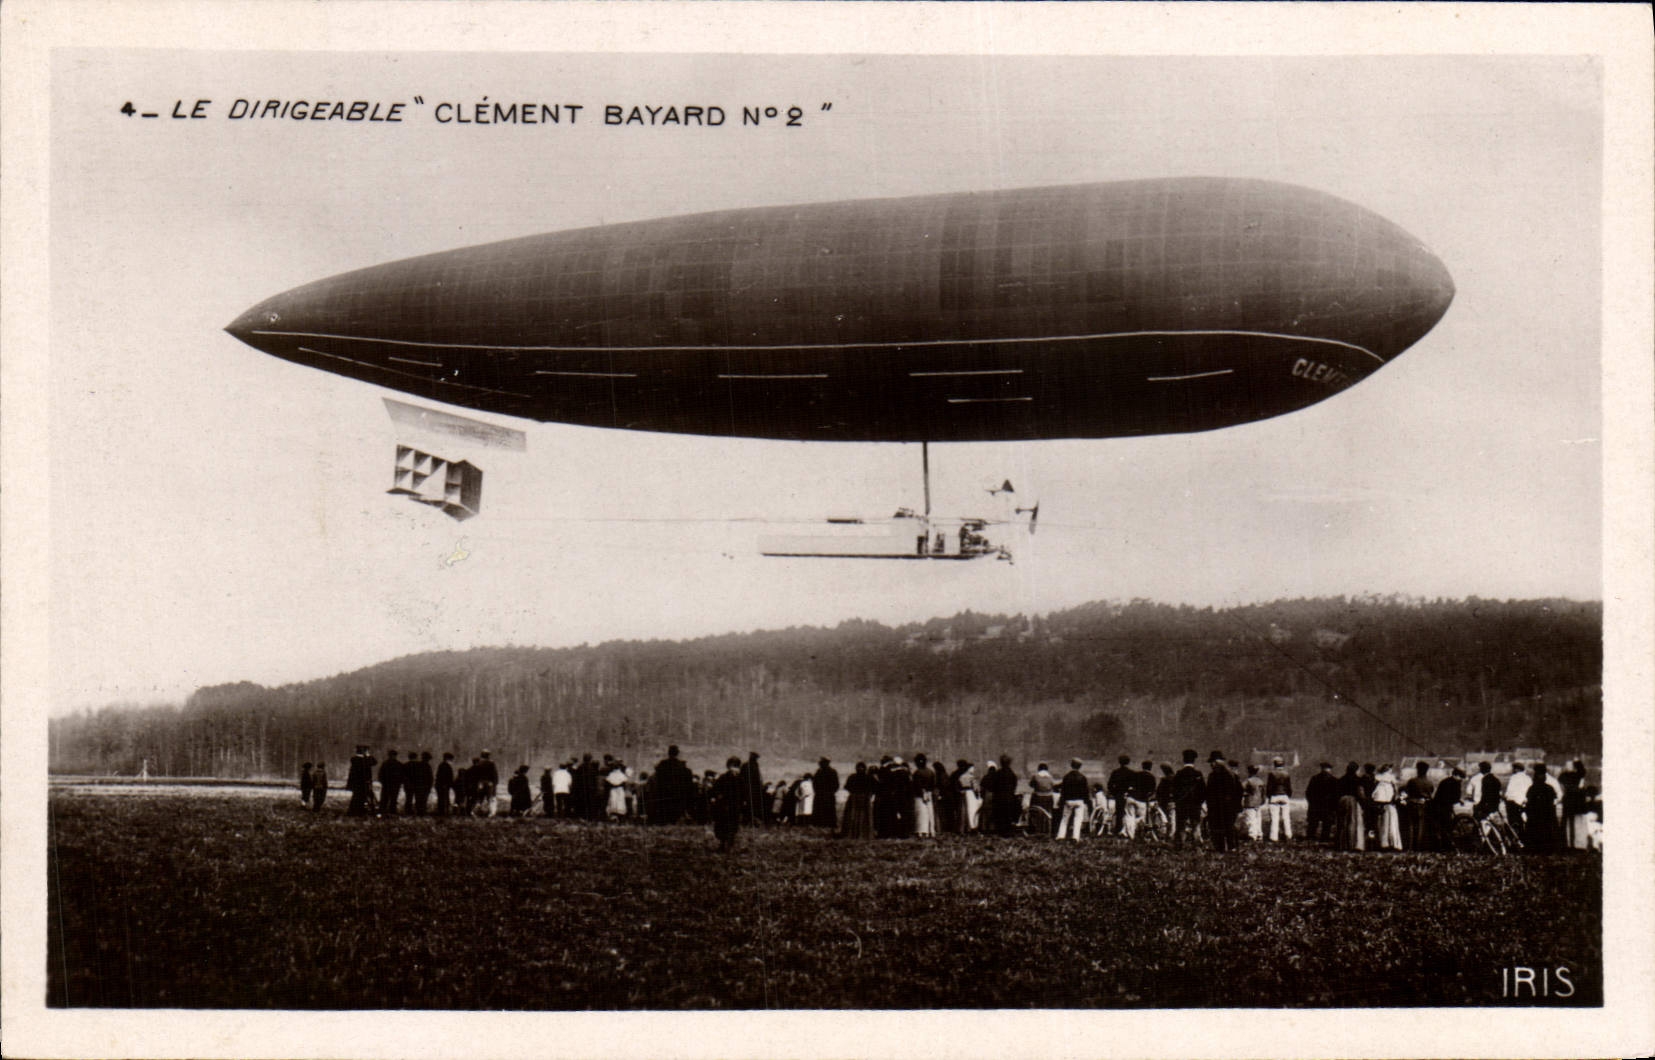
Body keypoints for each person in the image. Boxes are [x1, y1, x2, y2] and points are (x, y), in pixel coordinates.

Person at [1204, 752, 1243, 852]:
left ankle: (1223, 847)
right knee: (1228, 826)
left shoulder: (1213, 776)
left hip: (1220, 807)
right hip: (1227, 806)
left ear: (1217, 762)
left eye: (1212, 762)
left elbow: (1209, 792)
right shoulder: (1231, 774)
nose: (1211, 765)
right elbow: (1239, 790)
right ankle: (1231, 847)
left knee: (1221, 827)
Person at [649, 745, 695, 825]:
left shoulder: (663, 764)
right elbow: (688, 778)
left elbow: (658, 777)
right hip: (678, 791)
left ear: (668, 753)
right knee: (676, 807)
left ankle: (667, 820)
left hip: (665, 791)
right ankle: (676, 820)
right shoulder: (681, 765)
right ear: (677, 753)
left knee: (666, 807)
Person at [1171, 749, 1206, 848]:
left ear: (1183, 760)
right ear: (1194, 760)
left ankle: (1180, 845)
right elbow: (1203, 790)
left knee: (1181, 825)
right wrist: (1199, 801)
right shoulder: (1198, 774)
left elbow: (1174, 789)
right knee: (1196, 825)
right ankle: (1197, 845)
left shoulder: (1179, 773)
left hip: (1182, 804)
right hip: (1195, 804)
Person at [710, 756, 745, 852]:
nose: (734, 768)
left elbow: (744, 793)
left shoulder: (739, 779)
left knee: (730, 827)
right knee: (725, 826)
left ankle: (727, 845)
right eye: (733, 765)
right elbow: (715, 790)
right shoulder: (725, 778)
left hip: (732, 806)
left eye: (736, 766)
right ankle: (724, 844)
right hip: (725, 806)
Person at [1524, 763, 1560, 853]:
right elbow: (1554, 799)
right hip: (1547, 814)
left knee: (1535, 830)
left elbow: (1529, 800)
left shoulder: (1532, 788)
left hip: (1535, 814)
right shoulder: (1550, 787)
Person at [1401, 761, 1435, 850]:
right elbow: (1431, 793)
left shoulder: (1412, 781)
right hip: (1423, 806)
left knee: (1410, 826)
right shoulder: (1429, 782)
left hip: (1412, 805)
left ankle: (1410, 846)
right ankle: (1419, 846)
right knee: (1421, 826)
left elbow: (1407, 791)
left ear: (1418, 770)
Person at [1427, 766, 1463, 852]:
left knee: (1441, 827)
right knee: (1446, 827)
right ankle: (1446, 846)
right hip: (1444, 807)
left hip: (1439, 806)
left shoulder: (1445, 781)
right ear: (1456, 775)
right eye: (1460, 777)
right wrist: (1458, 800)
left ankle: (1441, 845)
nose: (1461, 779)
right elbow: (1454, 796)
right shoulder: (1456, 783)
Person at [1334, 762, 1365, 851]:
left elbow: (1336, 792)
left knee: (1342, 822)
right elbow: (1360, 793)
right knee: (1352, 822)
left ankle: (1341, 844)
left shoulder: (1341, 779)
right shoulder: (1357, 780)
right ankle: (1351, 844)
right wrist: (1364, 803)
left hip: (1342, 801)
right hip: (1352, 801)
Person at [1057, 758, 1090, 841]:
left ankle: (1061, 836)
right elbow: (1085, 791)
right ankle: (1075, 837)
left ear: (1071, 765)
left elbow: (1063, 790)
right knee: (1078, 819)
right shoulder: (1083, 778)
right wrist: (1086, 801)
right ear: (1080, 766)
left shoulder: (1066, 777)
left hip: (1069, 801)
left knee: (1065, 819)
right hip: (1079, 801)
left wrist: (1062, 800)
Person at [1305, 762, 1339, 842]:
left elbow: (1308, 792)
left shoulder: (1314, 778)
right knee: (1326, 823)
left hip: (1316, 805)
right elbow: (1337, 795)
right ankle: (1324, 838)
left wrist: (1311, 802)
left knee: (1313, 823)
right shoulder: (1334, 780)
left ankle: (1311, 836)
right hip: (1328, 806)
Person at [1561, 760, 1591, 850]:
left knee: (1568, 823)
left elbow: (1562, 783)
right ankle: (1575, 843)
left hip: (1569, 801)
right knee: (1576, 823)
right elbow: (1582, 772)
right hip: (1577, 802)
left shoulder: (1565, 776)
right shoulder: (1577, 776)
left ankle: (1568, 843)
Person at [841, 761, 875, 839]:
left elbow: (847, 786)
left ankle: (852, 833)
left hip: (854, 798)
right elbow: (875, 787)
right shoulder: (868, 777)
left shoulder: (852, 777)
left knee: (853, 816)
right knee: (864, 816)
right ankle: (864, 834)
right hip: (864, 799)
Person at [1372, 765, 1402, 850]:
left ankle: (1383, 843)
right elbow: (1396, 791)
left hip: (1381, 804)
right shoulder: (1391, 779)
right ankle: (1392, 843)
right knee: (1392, 824)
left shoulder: (1378, 779)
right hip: (1389, 804)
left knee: (1382, 824)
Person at [990, 755, 1021, 837]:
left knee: (1000, 815)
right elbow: (1014, 785)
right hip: (1009, 797)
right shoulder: (1012, 774)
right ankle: (1008, 831)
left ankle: (1001, 831)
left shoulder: (997, 773)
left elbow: (993, 786)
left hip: (999, 797)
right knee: (1008, 815)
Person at [1106, 755, 1136, 837]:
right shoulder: (1132, 773)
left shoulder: (1115, 772)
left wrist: (1115, 793)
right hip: (1129, 796)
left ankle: (1118, 829)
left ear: (1119, 762)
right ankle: (1127, 830)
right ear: (1128, 762)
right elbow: (1135, 785)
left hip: (1118, 795)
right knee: (1129, 814)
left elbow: (1110, 785)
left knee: (1119, 813)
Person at [1264, 756, 1293, 842]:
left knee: (1274, 818)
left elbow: (1269, 787)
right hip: (1284, 796)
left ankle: (1274, 837)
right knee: (1286, 817)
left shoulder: (1272, 774)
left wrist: (1269, 796)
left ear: (1274, 765)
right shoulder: (1286, 774)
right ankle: (1288, 835)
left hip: (1274, 796)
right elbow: (1289, 787)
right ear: (1283, 764)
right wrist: (1288, 795)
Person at [1028, 762, 1057, 837]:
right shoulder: (1050, 777)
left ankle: (1036, 828)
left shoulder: (1035, 776)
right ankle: (1046, 829)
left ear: (1039, 769)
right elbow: (1053, 785)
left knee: (1036, 812)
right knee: (1048, 813)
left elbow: (1031, 785)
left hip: (1038, 797)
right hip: (1048, 798)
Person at [910, 754, 936, 838]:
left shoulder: (917, 773)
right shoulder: (931, 772)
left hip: (919, 795)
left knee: (920, 813)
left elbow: (915, 785)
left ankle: (920, 831)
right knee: (929, 813)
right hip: (929, 794)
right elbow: (933, 784)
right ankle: (930, 830)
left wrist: (921, 792)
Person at [345, 745, 376, 816]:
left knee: (357, 797)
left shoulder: (356, 759)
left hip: (357, 783)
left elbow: (373, 762)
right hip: (362, 783)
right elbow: (373, 762)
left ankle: (355, 811)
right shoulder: (361, 760)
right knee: (360, 797)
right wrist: (368, 755)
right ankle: (358, 811)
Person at [1504, 762, 1531, 842]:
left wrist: (1506, 797)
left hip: (1513, 803)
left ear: (1516, 769)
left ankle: (1514, 840)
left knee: (1513, 823)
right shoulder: (1528, 778)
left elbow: (1509, 791)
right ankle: (1524, 839)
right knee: (1523, 821)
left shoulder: (1514, 777)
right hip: (1524, 802)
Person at [1239, 765, 1265, 841]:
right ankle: (1259, 835)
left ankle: (1252, 835)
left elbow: (1240, 789)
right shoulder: (1260, 781)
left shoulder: (1248, 781)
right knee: (1258, 819)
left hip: (1250, 802)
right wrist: (1262, 799)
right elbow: (1263, 792)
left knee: (1250, 819)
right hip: (1258, 802)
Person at [812, 758, 840, 830]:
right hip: (821, 794)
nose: (820, 765)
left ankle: (828, 823)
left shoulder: (832, 772)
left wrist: (831, 791)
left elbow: (836, 784)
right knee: (821, 809)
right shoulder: (819, 772)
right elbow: (814, 783)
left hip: (827, 794)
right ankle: (821, 823)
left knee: (829, 809)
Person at [739, 752, 764, 826]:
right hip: (752, 789)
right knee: (751, 805)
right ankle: (749, 821)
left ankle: (748, 821)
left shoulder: (746, 765)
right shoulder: (754, 766)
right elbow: (758, 778)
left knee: (748, 805)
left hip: (749, 789)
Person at [955, 761, 980, 833]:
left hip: (963, 794)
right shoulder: (971, 777)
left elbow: (957, 786)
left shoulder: (961, 776)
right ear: (969, 769)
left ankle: (963, 828)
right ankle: (972, 826)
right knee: (972, 810)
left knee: (964, 811)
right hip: (971, 794)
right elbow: (976, 788)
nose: (973, 770)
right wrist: (978, 794)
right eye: (972, 768)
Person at [406, 751, 434, 816]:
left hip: (418, 786)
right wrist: (430, 785)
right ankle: (422, 811)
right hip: (425, 786)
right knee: (423, 799)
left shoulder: (418, 765)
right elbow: (430, 778)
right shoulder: (427, 766)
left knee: (418, 799)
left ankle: (419, 811)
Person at [377, 749, 403, 817]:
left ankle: (383, 810)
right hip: (393, 784)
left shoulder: (385, 764)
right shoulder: (399, 764)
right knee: (392, 798)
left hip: (387, 784)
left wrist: (382, 781)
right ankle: (392, 810)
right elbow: (402, 775)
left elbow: (380, 774)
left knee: (386, 798)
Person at [474, 750, 499, 817]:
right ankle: (491, 813)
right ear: (488, 755)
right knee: (490, 798)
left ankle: (475, 812)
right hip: (489, 783)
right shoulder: (491, 763)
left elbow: (476, 775)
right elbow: (494, 775)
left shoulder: (479, 763)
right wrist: (495, 783)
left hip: (481, 783)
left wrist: (478, 783)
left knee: (479, 798)